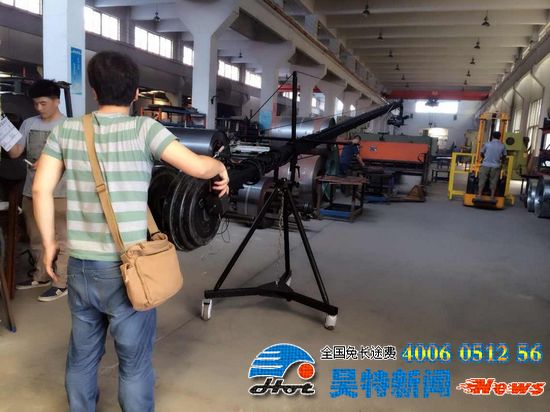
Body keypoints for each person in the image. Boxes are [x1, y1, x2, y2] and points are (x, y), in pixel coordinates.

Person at [32, 51, 229, 411]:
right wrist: (219, 167)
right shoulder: (145, 129)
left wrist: (48, 245)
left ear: (94, 91)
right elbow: (198, 168)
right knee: (134, 363)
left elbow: (41, 188)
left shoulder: (67, 131)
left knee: (81, 355)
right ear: (136, 93)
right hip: (130, 268)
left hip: (82, 266)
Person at [8, 79, 68, 302]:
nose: (39, 108)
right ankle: (41, 275)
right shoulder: (29, 124)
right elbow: (16, 152)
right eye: (35, 104)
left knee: (62, 238)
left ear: (56, 101)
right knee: (36, 236)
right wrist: (3, 131)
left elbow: (74, 159)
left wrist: (50, 163)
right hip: (31, 191)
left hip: (60, 192)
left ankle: (61, 281)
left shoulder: (68, 126)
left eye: (43, 103)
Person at [476, 131, 507, 199]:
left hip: (485, 165)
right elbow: (504, 156)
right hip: (496, 166)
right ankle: (492, 196)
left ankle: (479, 195)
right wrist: (501, 162)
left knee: (482, 180)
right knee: (494, 181)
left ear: (492, 136)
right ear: (500, 137)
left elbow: (481, 153)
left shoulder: (487, 144)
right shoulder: (502, 146)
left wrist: (485, 158)